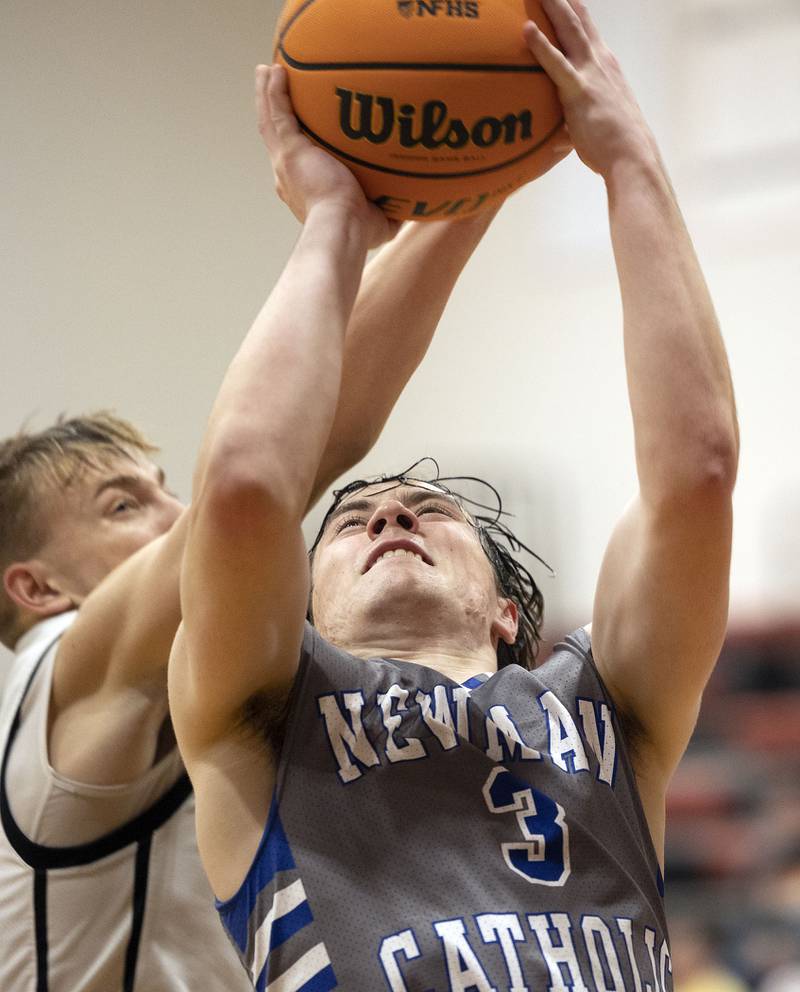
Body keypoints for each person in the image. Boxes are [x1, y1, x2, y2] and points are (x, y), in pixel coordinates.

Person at [168, 0, 740, 989]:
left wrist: (629, 164)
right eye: (347, 521)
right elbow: (247, 486)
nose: (387, 513)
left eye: (429, 512)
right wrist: (335, 229)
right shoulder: (262, 710)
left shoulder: (608, 706)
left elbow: (695, 473)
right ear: (301, 608)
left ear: (507, 606)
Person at [0, 153, 501, 992]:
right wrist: (478, 188)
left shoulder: (229, 681)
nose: (174, 518)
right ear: (38, 589)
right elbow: (275, 473)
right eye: (125, 508)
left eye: (167, 494)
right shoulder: (70, 662)